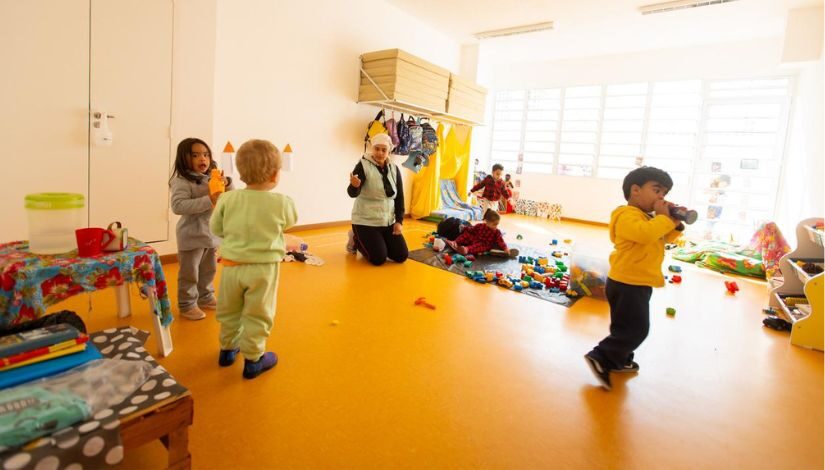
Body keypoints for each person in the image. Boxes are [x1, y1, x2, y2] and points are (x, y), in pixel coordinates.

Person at [584, 166, 685, 390]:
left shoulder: (647, 218)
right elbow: (645, 234)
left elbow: (661, 236)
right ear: (636, 190)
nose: (661, 197)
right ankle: (602, 357)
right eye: (657, 190)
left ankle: (621, 358)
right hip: (628, 282)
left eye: (664, 194)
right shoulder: (625, 215)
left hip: (637, 281)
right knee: (637, 329)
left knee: (624, 326)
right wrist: (664, 219)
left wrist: (675, 224)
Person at [210, 139, 297, 379]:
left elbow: (216, 228)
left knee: (229, 310)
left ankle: (227, 350)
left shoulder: (227, 199)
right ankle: (254, 359)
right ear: (274, 174)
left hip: (231, 267)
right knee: (258, 313)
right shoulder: (282, 202)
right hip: (263, 270)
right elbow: (290, 221)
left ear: (240, 171)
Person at [169, 138, 233, 321]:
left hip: (210, 235)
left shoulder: (210, 178)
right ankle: (187, 304)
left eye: (205, 154)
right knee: (189, 274)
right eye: (195, 155)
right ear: (184, 159)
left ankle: (205, 297)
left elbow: (229, 198)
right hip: (191, 236)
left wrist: (227, 183)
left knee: (208, 271)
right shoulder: (182, 181)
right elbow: (178, 206)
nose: (202, 159)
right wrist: (209, 200)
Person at [346, 133, 409, 266]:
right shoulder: (362, 165)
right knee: (378, 258)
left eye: (383, 150)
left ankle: (380, 242)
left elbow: (399, 197)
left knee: (401, 255)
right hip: (365, 222)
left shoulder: (394, 169)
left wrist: (399, 221)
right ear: (372, 148)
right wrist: (354, 186)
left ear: (389, 151)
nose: (380, 153)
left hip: (387, 223)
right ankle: (355, 238)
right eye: (377, 149)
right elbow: (352, 193)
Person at [445, 209, 517, 257]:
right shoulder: (480, 226)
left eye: (497, 224)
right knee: (466, 235)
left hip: (485, 244)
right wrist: (464, 228)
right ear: (486, 221)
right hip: (475, 239)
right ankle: (454, 242)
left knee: (478, 246)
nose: (496, 226)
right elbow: (471, 230)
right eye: (494, 224)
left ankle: (466, 249)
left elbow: (501, 241)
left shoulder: (496, 232)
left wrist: (505, 248)